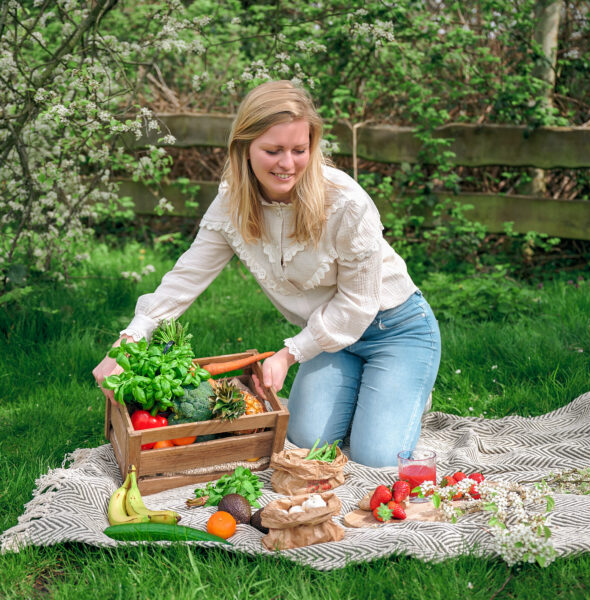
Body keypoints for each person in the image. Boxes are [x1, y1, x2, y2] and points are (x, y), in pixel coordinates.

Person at [93, 80, 441, 468]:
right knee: (305, 438)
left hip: (395, 330)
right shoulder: (232, 202)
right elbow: (185, 278)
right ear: (244, 148)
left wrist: (289, 355)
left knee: (375, 455)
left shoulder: (346, 202)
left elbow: (358, 305)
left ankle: (409, 389)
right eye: (273, 150)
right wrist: (128, 341)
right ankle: (366, 388)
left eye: (299, 150)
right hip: (332, 341)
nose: (287, 164)